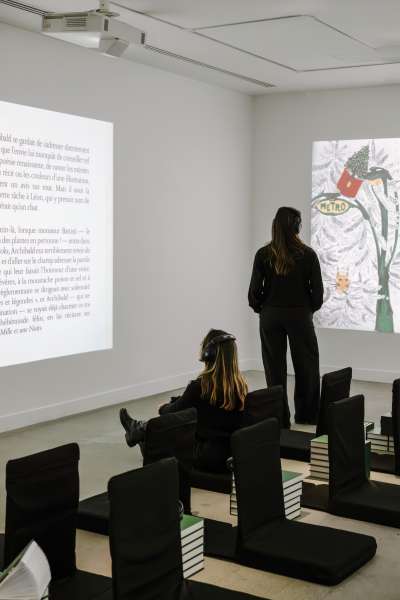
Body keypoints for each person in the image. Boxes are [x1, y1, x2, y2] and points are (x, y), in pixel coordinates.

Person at [119, 329, 248, 473]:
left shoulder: (200, 387)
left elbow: (171, 412)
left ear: (208, 354)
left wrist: (163, 407)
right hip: (231, 452)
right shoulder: (240, 387)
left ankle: (140, 430)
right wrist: (178, 400)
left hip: (204, 456)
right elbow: (194, 403)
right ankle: (140, 431)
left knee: (172, 423)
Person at [248, 207, 323, 425]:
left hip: (270, 315)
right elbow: (318, 294)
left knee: (274, 369)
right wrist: (307, 309)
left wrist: (264, 309)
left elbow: (253, 293)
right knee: (307, 366)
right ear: (296, 227)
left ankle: (279, 418)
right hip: (300, 315)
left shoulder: (263, 254)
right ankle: (307, 415)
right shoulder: (308, 255)